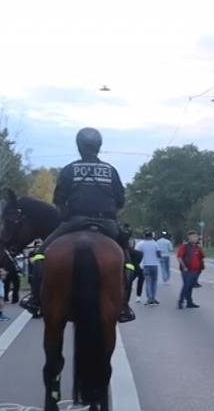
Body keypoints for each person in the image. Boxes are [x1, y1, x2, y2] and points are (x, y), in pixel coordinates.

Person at [22, 127, 134, 323]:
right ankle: (124, 305)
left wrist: (66, 215)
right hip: (107, 224)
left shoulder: (69, 169)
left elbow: (59, 200)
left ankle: (35, 299)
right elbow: (120, 201)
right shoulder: (110, 170)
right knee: (129, 261)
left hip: (74, 222)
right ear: (99, 147)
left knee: (40, 253)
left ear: (79, 146)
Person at [175, 231, 204, 309]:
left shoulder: (197, 247)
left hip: (196, 270)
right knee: (186, 285)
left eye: (196, 237)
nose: (195, 238)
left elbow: (202, 257)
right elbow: (179, 257)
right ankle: (180, 301)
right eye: (193, 237)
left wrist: (200, 248)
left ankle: (189, 302)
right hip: (187, 270)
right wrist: (184, 266)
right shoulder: (184, 247)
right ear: (189, 237)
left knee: (190, 286)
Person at [135, 231, 162, 305]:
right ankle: (153, 298)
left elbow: (136, 254)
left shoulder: (140, 244)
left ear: (144, 236)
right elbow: (159, 254)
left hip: (145, 265)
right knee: (154, 283)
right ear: (151, 236)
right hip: (154, 265)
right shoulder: (155, 243)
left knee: (148, 282)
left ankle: (149, 298)